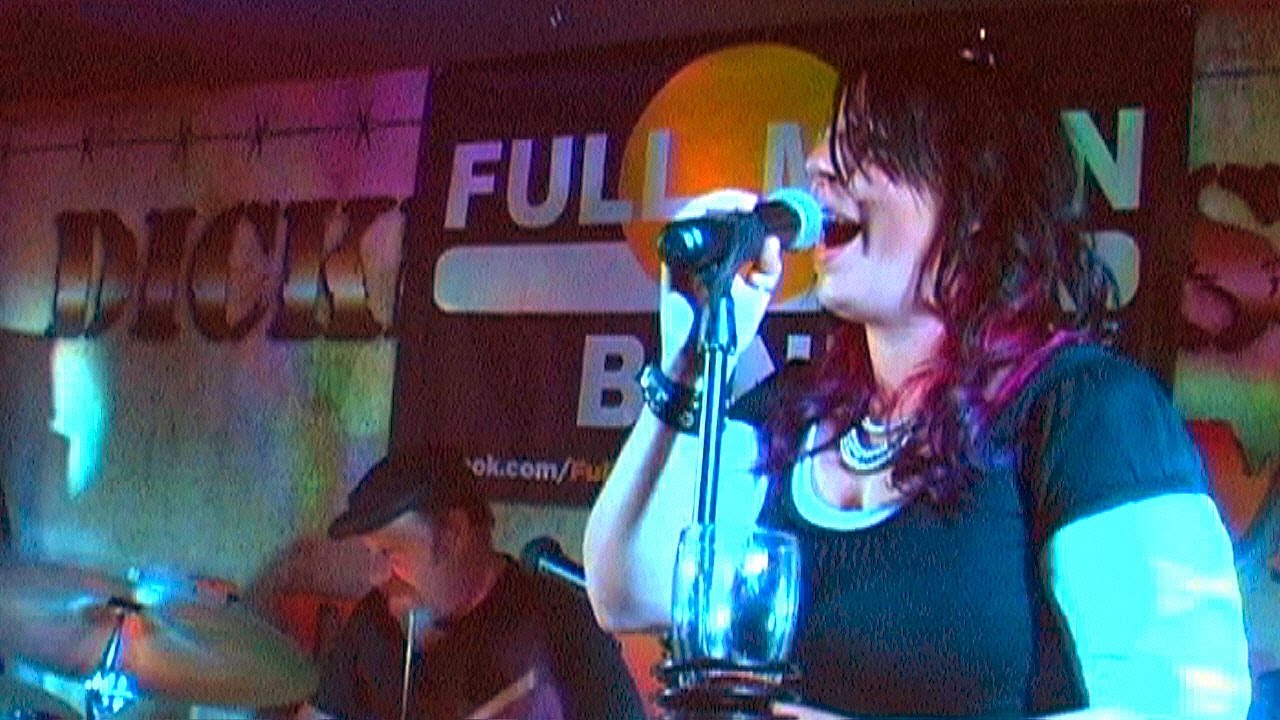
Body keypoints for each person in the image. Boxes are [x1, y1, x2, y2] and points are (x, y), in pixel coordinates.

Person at [583, 37, 1253, 719]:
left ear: (975, 200)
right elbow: (628, 593)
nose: (817, 164)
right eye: (829, 141)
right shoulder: (797, 414)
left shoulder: (1088, 414)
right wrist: (689, 355)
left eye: (868, 145)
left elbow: (1188, 705)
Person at [302, 449, 645, 720]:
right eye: (371, 554)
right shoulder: (376, 620)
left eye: (390, 553)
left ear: (453, 534)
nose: (376, 576)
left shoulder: (565, 627)